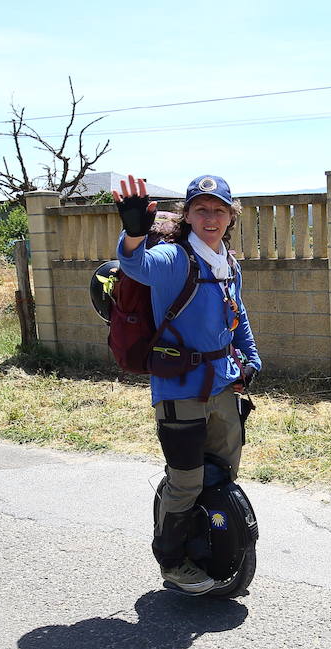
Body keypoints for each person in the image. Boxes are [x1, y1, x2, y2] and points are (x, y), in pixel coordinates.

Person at [113, 173, 261, 595]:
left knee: (222, 473)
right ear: (188, 215)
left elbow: (239, 315)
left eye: (219, 210)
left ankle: (210, 545)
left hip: (223, 385)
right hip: (178, 389)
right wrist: (133, 232)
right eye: (201, 209)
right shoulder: (173, 258)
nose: (210, 217)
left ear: (231, 216)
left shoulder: (228, 262)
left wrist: (251, 357)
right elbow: (134, 265)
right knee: (186, 479)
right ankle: (172, 560)